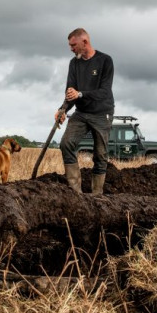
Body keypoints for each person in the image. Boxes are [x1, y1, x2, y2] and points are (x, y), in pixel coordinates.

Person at [55, 28, 115, 195]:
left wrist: (80, 94)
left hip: (102, 113)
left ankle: (96, 195)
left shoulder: (105, 61)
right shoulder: (74, 63)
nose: (71, 48)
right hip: (81, 113)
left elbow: (104, 92)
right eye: (70, 45)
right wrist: (63, 109)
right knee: (66, 143)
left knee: (101, 154)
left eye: (73, 45)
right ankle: (76, 193)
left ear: (85, 42)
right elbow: (70, 92)